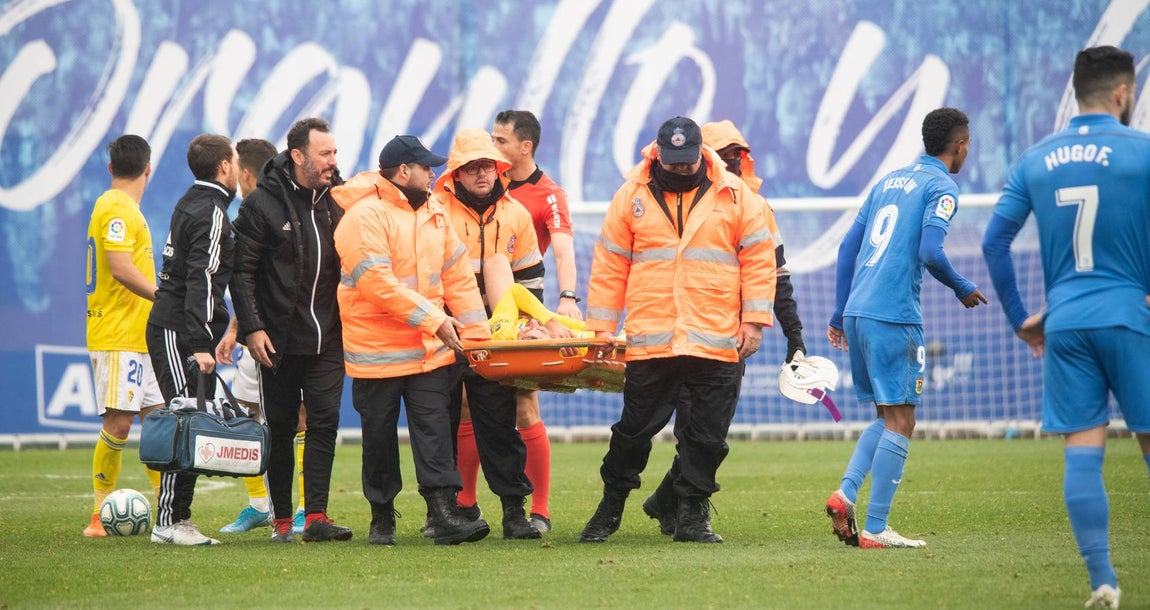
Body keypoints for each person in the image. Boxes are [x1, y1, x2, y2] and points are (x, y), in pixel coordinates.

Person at [982, 46, 1150, 609]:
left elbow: (993, 242)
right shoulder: (1140, 152)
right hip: (1131, 317)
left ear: (1077, 93)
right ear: (1123, 94)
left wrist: (1020, 318)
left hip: (1067, 323)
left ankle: (1103, 581)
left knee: (1084, 451)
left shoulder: (1036, 158)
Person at [579, 116, 777, 544]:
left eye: (689, 162)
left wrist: (755, 322)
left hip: (716, 337)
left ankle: (692, 516)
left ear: (701, 154)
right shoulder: (630, 195)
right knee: (631, 434)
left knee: (706, 438)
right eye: (674, 162)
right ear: (658, 154)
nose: (682, 169)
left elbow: (760, 261)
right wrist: (599, 330)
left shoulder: (738, 195)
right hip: (653, 338)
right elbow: (610, 265)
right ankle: (609, 508)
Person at [824, 107, 987, 550]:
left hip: (859, 311)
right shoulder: (941, 185)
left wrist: (840, 313)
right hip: (893, 313)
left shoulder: (887, 181)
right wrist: (962, 286)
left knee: (886, 415)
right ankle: (876, 528)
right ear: (960, 145)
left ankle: (845, 494)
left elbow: (845, 248)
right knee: (904, 418)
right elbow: (931, 251)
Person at [639, 119, 810, 536]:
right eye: (725, 156)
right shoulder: (665, 199)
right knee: (691, 429)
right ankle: (684, 509)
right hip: (679, 332)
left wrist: (795, 336)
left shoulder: (754, 206)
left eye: (738, 156)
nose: (732, 163)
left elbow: (777, 276)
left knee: (708, 430)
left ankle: (668, 501)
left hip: (728, 338)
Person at [332, 135, 493, 546]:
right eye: (426, 167)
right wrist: (436, 320)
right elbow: (376, 285)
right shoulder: (363, 216)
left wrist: (478, 339)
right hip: (378, 353)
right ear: (404, 171)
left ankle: (442, 515)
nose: (434, 173)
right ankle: (381, 518)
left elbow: (457, 276)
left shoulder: (434, 210)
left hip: (430, 352)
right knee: (379, 440)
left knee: (435, 432)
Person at [230, 117, 351, 544]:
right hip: (278, 341)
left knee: (325, 422)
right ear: (298, 156)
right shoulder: (261, 204)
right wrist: (253, 328)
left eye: (335, 153)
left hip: (329, 339)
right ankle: (282, 521)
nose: (333, 162)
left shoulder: (340, 198)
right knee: (281, 428)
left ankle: (315, 516)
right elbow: (239, 272)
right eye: (325, 154)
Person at [434, 128, 544, 540]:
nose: (482, 174)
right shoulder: (435, 211)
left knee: (499, 427)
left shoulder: (516, 214)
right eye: (472, 167)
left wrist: (529, 326)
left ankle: (514, 513)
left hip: (495, 342)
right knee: (440, 428)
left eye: (488, 166)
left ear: (500, 169)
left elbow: (530, 281)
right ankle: (442, 511)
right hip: (447, 335)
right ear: (456, 175)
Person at [145, 133, 239, 545]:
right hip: (177, 330)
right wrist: (201, 341)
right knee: (183, 420)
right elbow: (199, 279)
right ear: (224, 167)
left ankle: (176, 519)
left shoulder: (194, 201)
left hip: (178, 326)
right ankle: (169, 521)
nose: (237, 168)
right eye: (234, 161)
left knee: (189, 420)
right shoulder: (212, 210)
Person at [489, 109, 579, 533]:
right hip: (479, 305)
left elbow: (562, 250)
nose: (493, 148)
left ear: (525, 146)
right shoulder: (483, 181)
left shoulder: (548, 194)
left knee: (524, 405)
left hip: (524, 306)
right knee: (468, 406)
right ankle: (465, 505)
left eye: (501, 141)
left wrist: (568, 297)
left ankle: (539, 510)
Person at [82, 134, 164, 537]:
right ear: (148, 167)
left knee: (158, 422)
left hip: (140, 334)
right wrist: (161, 294)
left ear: (111, 166)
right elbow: (118, 267)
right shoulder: (115, 207)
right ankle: (98, 516)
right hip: (116, 333)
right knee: (119, 423)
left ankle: (165, 512)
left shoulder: (126, 207)